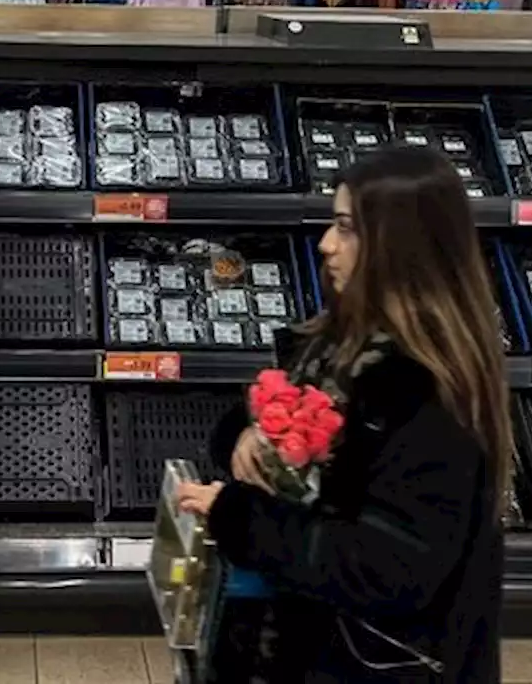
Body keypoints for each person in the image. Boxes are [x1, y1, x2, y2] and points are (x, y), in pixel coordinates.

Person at [177, 144, 508, 683]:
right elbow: (303, 453)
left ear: (403, 245)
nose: (327, 244)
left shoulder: (429, 393)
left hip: (367, 662)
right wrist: (249, 435)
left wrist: (238, 517)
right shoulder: (337, 342)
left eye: (348, 228)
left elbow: (386, 566)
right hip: (298, 640)